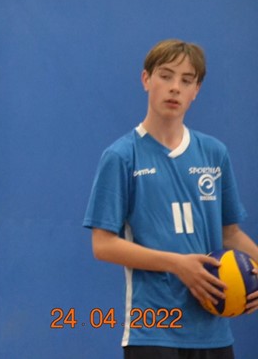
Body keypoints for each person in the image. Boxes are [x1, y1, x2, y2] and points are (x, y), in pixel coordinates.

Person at [83, 39, 258, 358]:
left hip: (214, 329)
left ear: (196, 90)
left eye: (186, 80)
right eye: (166, 76)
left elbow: (230, 233)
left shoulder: (214, 153)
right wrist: (178, 264)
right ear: (146, 79)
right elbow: (103, 245)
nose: (175, 87)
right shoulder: (122, 156)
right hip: (153, 329)